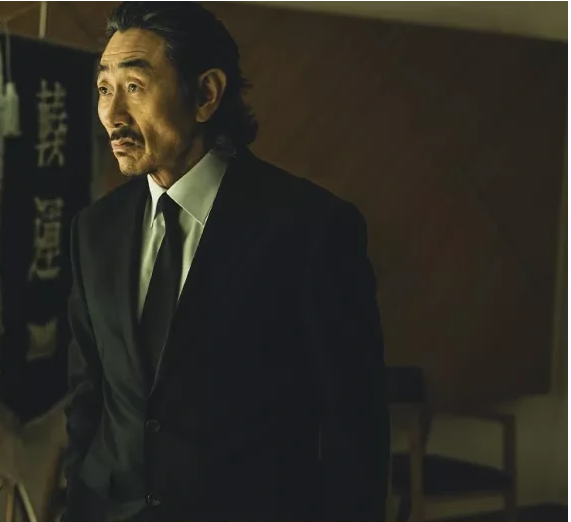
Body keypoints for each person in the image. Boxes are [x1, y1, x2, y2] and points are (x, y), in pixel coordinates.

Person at [64, 2, 390, 521]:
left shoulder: (310, 228)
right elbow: (89, 397)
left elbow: (354, 426)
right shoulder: (94, 230)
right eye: (105, 88)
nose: (112, 115)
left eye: (135, 86)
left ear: (206, 95)